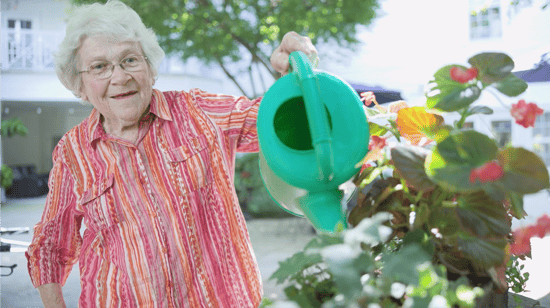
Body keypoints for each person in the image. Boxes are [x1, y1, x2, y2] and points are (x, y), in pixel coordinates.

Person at [25, 1, 318, 307]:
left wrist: (291, 76)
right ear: (81, 86)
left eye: (129, 60)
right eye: (99, 66)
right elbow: (50, 246)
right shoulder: (72, 152)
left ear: (150, 69)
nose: (119, 76)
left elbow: (280, 123)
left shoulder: (200, 112)